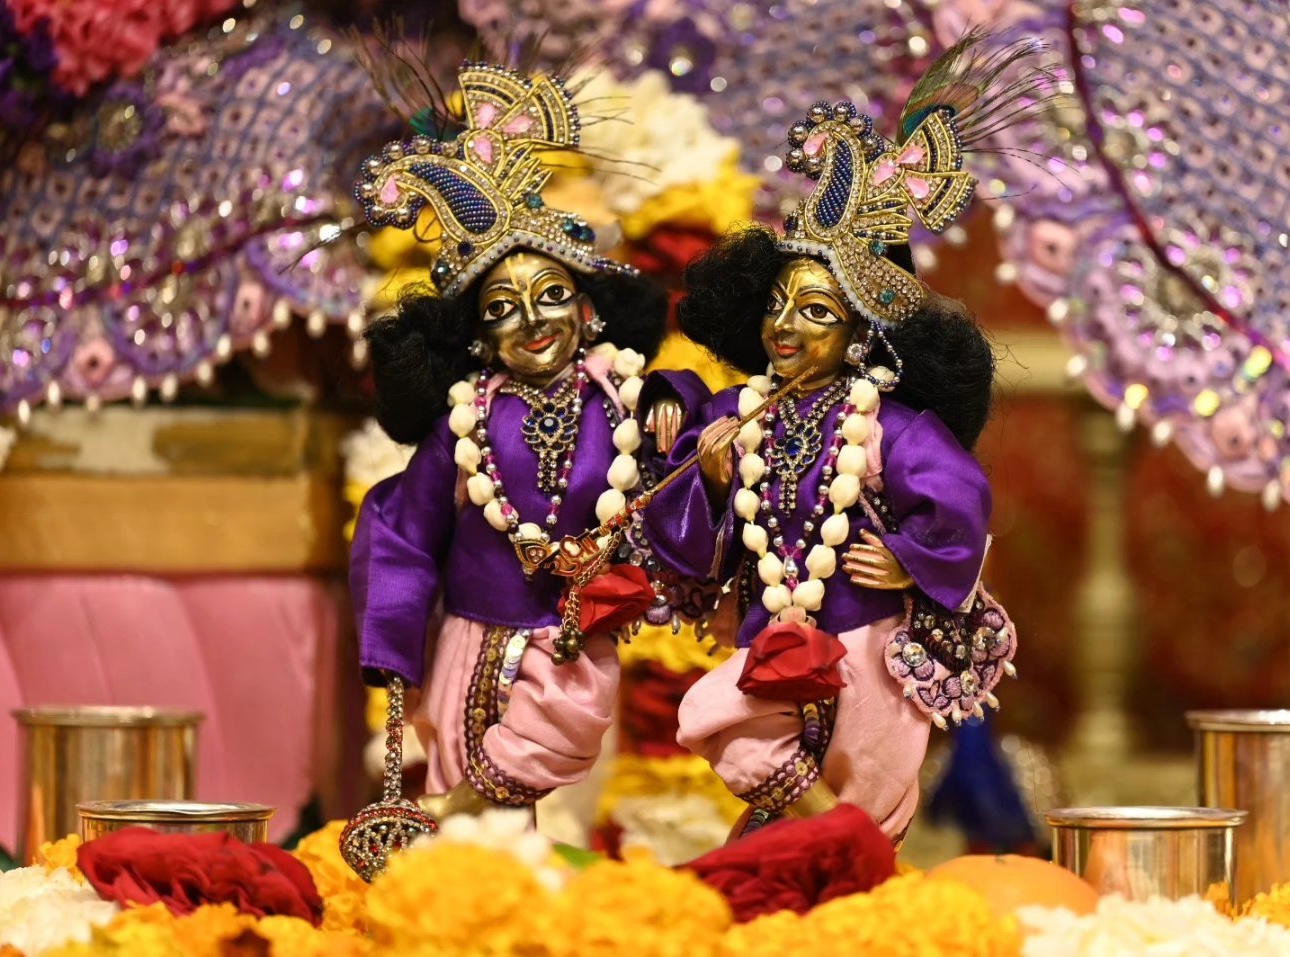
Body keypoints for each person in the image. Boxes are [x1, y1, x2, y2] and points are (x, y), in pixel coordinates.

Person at [642, 36, 1048, 842]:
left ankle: (849, 852)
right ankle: (834, 841)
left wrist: (910, 561)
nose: (786, 326)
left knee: (864, 805)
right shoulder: (745, 410)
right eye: (777, 305)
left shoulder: (889, 428)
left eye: (815, 312)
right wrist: (706, 469)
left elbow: (959, 496)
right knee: (724, 726)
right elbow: (678, 431)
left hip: (868, 650)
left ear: (861, 337)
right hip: (769, 642)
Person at [349, 60, 686, 819]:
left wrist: (674, 397)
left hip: (576, 654)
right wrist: (393, 642)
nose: (531, 320)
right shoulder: (466, 419)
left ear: (589, 312)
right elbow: (403, 529)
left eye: (552, 295)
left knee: (566, 810)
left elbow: (688, 464)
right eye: (502, 307)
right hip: (470, 644)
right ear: (478, 337)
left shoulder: (624, 399)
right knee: (467, 823)